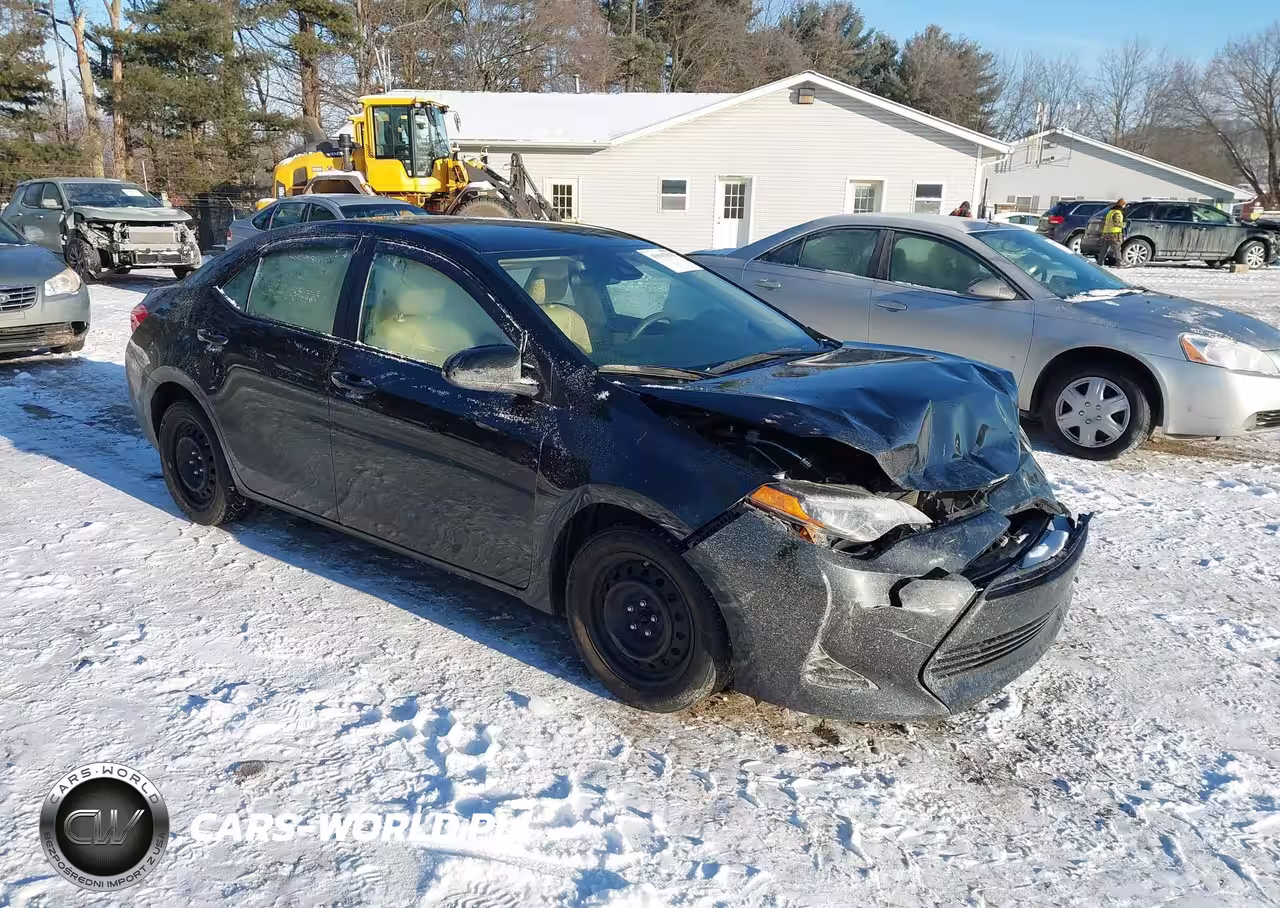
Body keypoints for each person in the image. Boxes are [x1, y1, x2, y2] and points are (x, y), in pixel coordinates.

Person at [1097, 198, 1126, 267]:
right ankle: (1120, 263)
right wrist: (1123, 225)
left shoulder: (1110, 212)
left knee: (1104, 249)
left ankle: (1100, 262)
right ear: (1122, 205)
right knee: (1117, 249)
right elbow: (1116, 223)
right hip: (1114, 234)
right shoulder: (1117, 213)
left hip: (1106, 233)